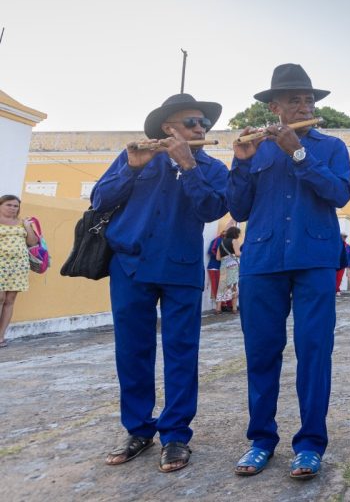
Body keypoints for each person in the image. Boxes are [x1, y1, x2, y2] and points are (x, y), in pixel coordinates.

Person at [92, 93, 228, 473]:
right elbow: (100, 199)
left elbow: (212, 209)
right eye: (191, 122)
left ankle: (176, 435)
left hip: (181, 269)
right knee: (131, 351)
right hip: (130, 266)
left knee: (181, 351)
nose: (200, 128)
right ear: (168, 128)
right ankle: (137, 430)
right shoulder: (137, 157)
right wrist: (130, 169)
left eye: (204, 123)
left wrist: (189, 166)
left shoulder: (212, 167)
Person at [229, 63, 350, 479]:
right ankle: (261, 439)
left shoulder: (331, 146)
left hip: (314, 259)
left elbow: (339, 193)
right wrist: (240, 163)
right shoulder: (256, 150)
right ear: (275, 107)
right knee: (261, 352)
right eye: (294, 100)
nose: (305, 106)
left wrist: (298, 152)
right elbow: (239, 207)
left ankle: (310, 444)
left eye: (309, 100)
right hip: (262, 261)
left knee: (315, 351)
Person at [0, 195, 40, 348]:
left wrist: (28, 227)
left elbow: (32, 243)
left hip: (18, 266)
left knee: (10, 300)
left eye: (15, 206)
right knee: (0, 298)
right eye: (8, 205)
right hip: (1, 264)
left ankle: (1, 336)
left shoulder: (23, 223)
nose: (12, 208)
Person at [215, 226, 241, 314]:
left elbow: (218, 258)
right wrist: (245, 253)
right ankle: (234, 308)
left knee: (222, 286)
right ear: (235, 234)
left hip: (223, 266)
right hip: (233, 266)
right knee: (234, 285)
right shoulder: (234, 241)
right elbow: (237, 253)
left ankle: (218, 309)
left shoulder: (221, 243)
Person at [206, 232, 223, 302]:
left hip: (219, 267)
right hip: (215, 266)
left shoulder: (221, 240)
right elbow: (211, 251)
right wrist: (220, 257)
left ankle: (218, 304)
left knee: (218, 287)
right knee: (216, 287)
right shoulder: (218, 240)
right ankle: (217, 304)